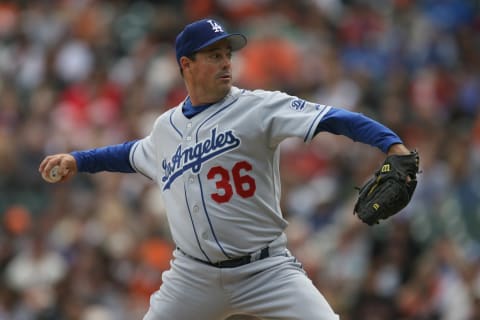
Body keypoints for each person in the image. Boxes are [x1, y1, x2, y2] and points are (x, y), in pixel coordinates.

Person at [39, 18, 414, 320]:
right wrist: (78, 160)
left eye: (227, 55)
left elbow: (335, 118)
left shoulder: (258, 108)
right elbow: (129, 154)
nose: (226, 63)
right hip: (193, 276)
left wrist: (391, 144)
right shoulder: (165, 128)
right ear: (186, 65)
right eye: (214, 55)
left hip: (266, 269)